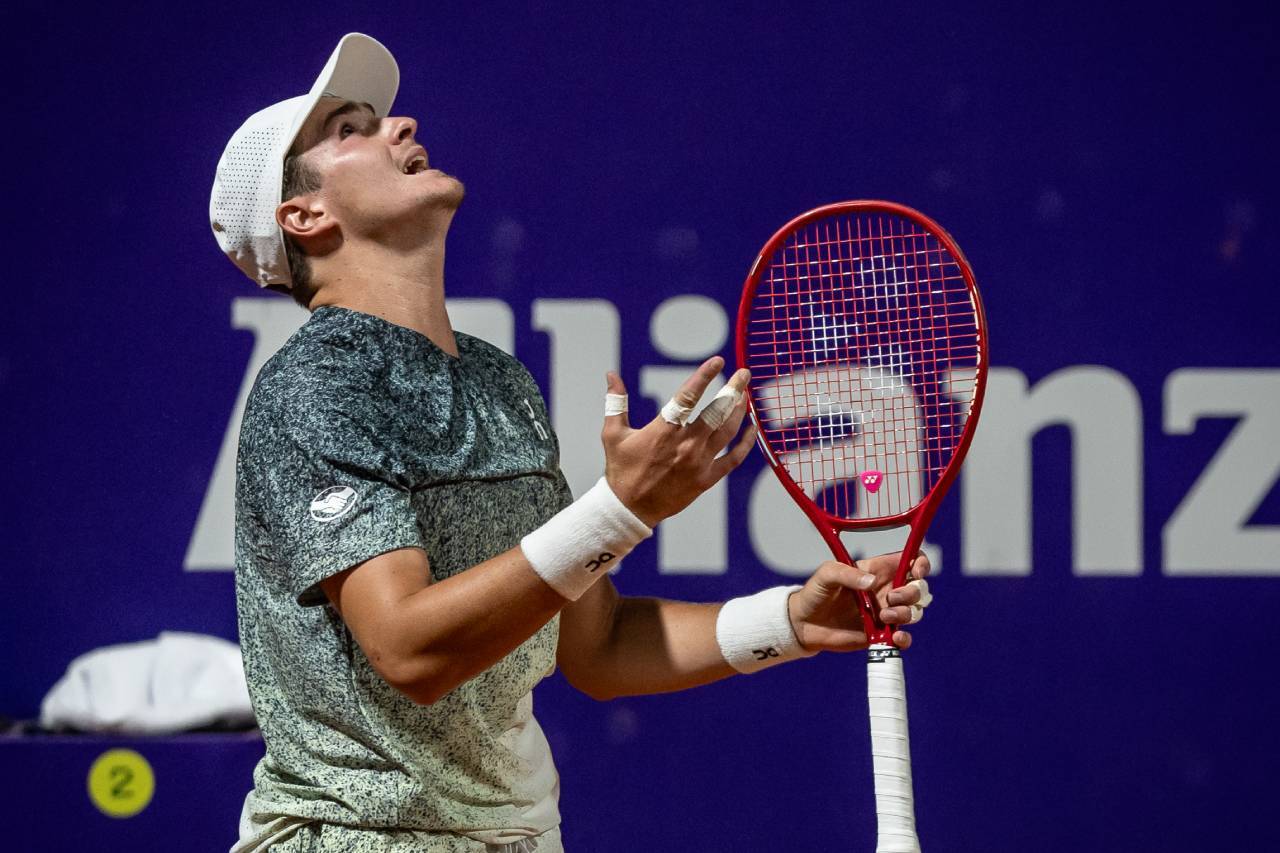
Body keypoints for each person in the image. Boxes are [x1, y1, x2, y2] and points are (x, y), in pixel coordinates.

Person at [210, 33, 933, 853]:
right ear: (305, 216)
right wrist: (620, 509)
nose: (400, 125)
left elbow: (596, 644)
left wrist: (793, 618)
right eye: (351, 129)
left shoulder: (500, 382)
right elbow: (410, 652)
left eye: (383, 117)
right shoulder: (315, 385)